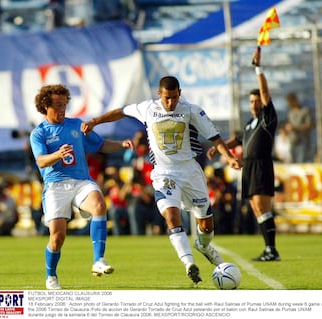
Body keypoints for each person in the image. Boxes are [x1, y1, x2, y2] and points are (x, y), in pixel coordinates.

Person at [82, 76, 242, 285]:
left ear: (180, 93)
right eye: (167, 98)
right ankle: (189, 264)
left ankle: (203, 246)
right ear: (160, 94)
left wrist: (229, 157)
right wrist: (95, 121)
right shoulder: (147, 108)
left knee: (206, 227)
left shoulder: (192, 110)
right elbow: (121, 111)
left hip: (190, 172)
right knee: (171, 215)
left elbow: (214, 137)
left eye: (174, 98)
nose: (170, 102)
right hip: (164, 173)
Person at [29, 84, 133, 290]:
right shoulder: (39, 133)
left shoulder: (77, 125)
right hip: (55, 186)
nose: (62, 109)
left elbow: (101, 145)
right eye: (58, 105)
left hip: (81, 181)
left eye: (65, 105)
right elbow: (41, 161)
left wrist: (121, 145)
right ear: (45, 106)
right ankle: (51, 276)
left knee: (99, 205)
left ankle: (98, 261)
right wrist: (57, 155)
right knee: (57, 238)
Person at [208, 49, 280, 261]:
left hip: (261, 165)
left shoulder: (268, 118)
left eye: (257, 101)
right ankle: (268, 248)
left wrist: (258, 68)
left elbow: (265, 94)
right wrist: (219, 147)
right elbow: (238, 139)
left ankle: (272, 250)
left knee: (262, 206)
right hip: (249, 167)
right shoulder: (251, 123)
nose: (254, 104)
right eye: (251, 101)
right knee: (256, 209)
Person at [285, 92, 313, 163]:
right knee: (293, 163)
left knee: (301, 162)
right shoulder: (290, 113)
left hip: (302, 142)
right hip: (293, 142)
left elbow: (309, 125)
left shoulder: (305, 111)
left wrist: (296, 128)